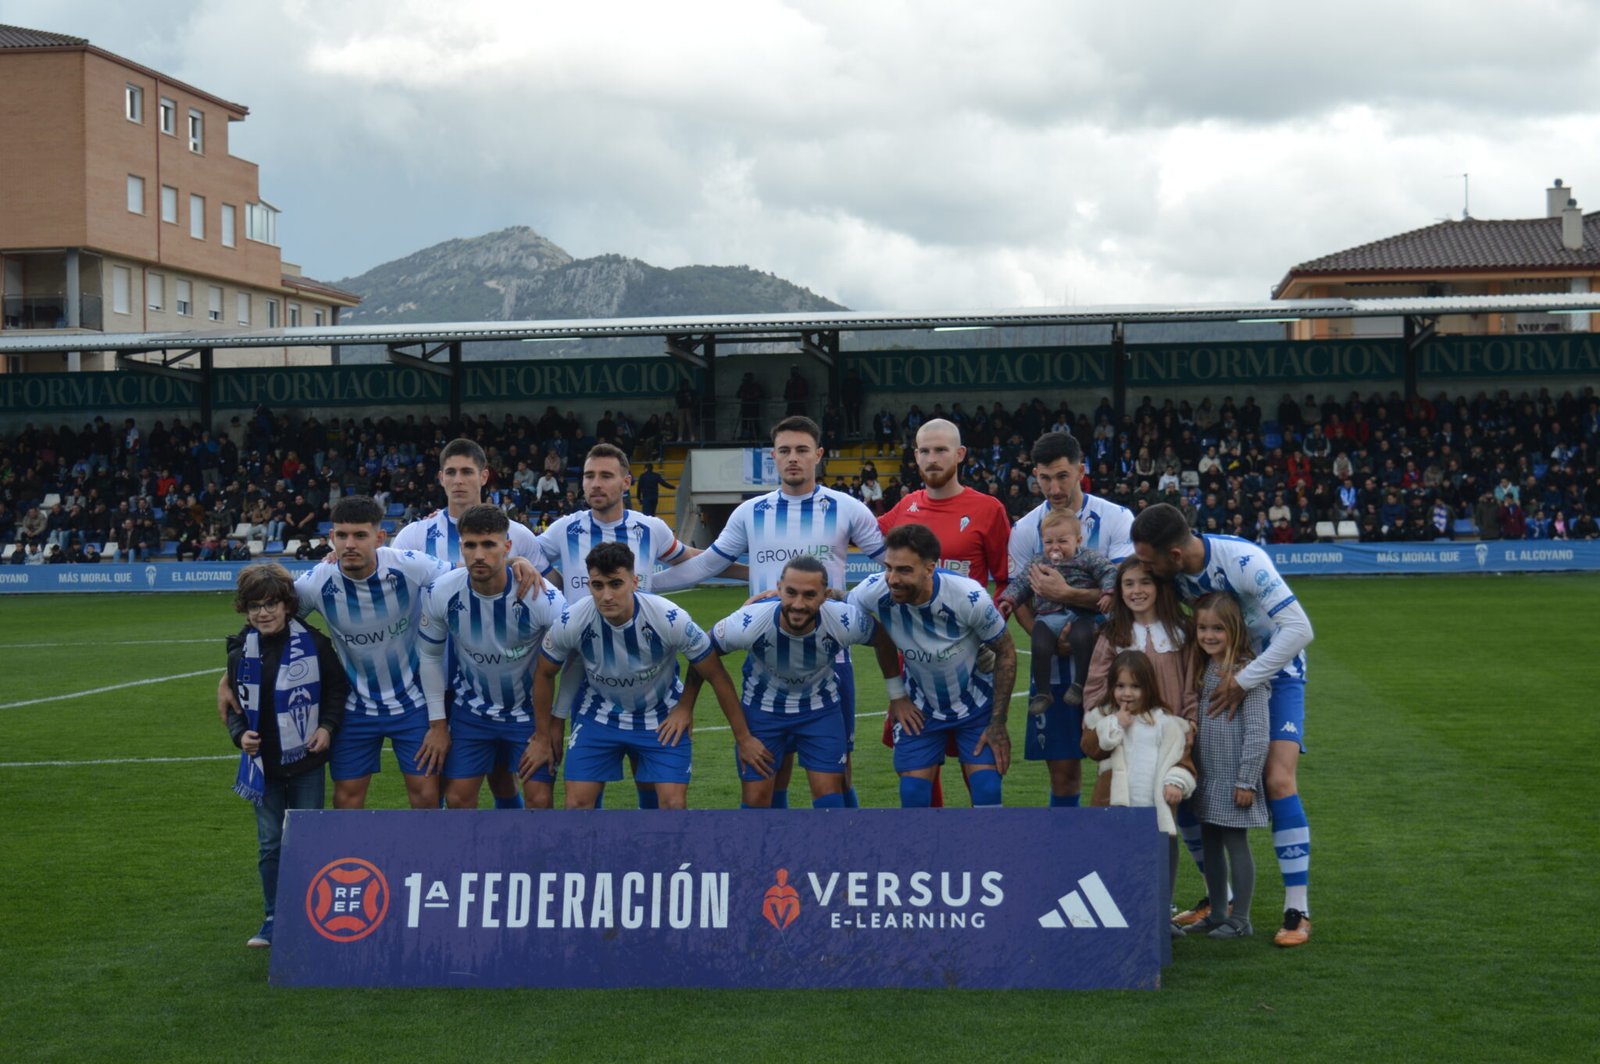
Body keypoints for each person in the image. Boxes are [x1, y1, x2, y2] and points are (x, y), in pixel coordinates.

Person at [650, 416, 886, 809]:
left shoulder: (848, 509)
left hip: (831, 660)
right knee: (770, 769)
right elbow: (707, 564)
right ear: (773, 457)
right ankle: (776, 859)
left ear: (819, 456)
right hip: (767, 658)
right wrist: (643, 584)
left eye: (802, 450)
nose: (793, 458)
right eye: (785, 450)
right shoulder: (750, 512)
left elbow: (889, 566)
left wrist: (852, 598)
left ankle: (846, 856)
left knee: (838, 774)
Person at [1131, 502, 1314, 948]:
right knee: (1194, 780)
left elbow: (1299, 629)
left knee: (1277, 780)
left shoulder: (1246, 562)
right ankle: (1220, 899)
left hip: (1275, 672)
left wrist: (1245, 679)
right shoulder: (1170, 567)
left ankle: (1298, 908)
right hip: (1213, 675)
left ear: (1173, 556)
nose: (1145, 569)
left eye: (1150, 561)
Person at [536, 443, 716, 810]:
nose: (595, 483)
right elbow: (530, 562)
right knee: (584, 793)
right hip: (583, 667)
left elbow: (697, 562)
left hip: (647, 666)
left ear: (626, 482)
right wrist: (522, 564)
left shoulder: (650, 528)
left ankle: (652, 861)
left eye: (606, 475)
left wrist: (751, 572)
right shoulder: (563, 530)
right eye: (589, 476)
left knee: (650, 786)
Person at [525, 542, 772, 808]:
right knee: (576, 804)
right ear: (589, 585)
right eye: (598, 586)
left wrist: (738, 735)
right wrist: (544, 733)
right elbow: (544, 673)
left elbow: (715, 674)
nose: (606, 595)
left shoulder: (669, 617)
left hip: (661, 716)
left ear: (634, 582)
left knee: (672, 806)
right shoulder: (572, 620)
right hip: (599, 715)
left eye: (615, 584)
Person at [393, 438, 545, 811]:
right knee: (443, 776)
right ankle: (450, 860)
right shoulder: (414, 535)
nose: (458, 480)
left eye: (466, 472)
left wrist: (520, 564)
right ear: (440, 478)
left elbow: (545, 592)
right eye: (451, 472)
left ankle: (505, 852)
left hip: (499, 676)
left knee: (500, 774)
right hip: (435, 674)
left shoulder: (519, 535)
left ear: (484, 476)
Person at [877, 417, 1012, 806]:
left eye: (941, 450)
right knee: (920, 773)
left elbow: (1005, 578)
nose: (932, 458)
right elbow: (867, 548)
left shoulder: (988, 509)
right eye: (924, 451)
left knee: (983, 780)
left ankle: (986, 858)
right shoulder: (905, 507)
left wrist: (993, 629)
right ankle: (934, 859)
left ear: (960, 454)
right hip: (917, 667)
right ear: (915, 456)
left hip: (973, 664)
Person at [223, 562, 349, 949]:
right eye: (255, 606)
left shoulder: (315, 643)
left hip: (307, 763)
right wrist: (240, 736)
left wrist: (326, 728)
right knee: (270, 843)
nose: (263, 613)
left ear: (288, 605)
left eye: (271, 604)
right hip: (263, 767)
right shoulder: (239, 651)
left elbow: (336, 691)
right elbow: (234, 709)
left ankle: (312, 911)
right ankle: (274, 917)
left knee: (307, 838)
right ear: (245, 609)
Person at [1007, 432, 1134, 809]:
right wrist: (1045, 635)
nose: (1054, 487)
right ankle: (1065, 860)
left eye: (1063, 476)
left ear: (1081, 469)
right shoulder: (1025, 530)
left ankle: (1111, 860)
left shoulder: (1116, 519)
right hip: (1056, 665)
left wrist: (1069, 596)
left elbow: (1128, 593)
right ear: (1035, 475)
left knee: (1116, 767)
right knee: (1062, 774)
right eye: (1045, 478)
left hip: (1111, 660)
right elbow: (1021, 600)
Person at [850, 523, 1018, 808]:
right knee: (913, 795)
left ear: (930, 569)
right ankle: (924, 853)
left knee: (987, 790)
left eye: (904, 570)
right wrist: (897, 696)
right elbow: (843, 617)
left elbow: (1006, 651)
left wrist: (998, 722)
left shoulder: (969, 596)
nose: (892, 579)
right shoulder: (874, 590)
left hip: (975, 706)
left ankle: (990, 852)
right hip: (919, 707)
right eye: (889, 567)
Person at [691, 555, 877, 808]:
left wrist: (898, 693)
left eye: (810, 595)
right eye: (791, 593)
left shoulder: (844, 619)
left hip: (820, 712)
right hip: (762, 713)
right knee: (756, 800)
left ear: (825, 595)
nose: (798, 604)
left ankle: (840, 847)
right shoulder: (749, 622)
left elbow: (883, 637)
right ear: (779, 589)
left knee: (831, 798)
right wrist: (688, 710)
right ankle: (771, 847)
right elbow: (702, 652)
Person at [416, 506, 564, 810]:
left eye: (489, 545)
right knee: (457, 798)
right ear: (461, 547)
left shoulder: (542, 598)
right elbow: (429, 656)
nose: (479, 554)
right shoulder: (443, 592)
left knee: (539, 799)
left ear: (507, 547)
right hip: (472, 712)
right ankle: (466, 859)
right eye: (470, 545)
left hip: (527, 715)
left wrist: (548, 729)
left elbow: (571, 664)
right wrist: (438, 725)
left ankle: (528, 859)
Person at [1080, 649, 1195, 936]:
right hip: (1116, 811)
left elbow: (1184, 762)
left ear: (1149, 687)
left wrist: (1176, 782)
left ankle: (1159, 918)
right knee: (1115, 864)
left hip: (1156, 814)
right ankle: (1115, 916)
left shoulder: (1166, 724)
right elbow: (1091, 749)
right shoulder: (1102, 718)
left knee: (1160, 867)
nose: (1126, 694)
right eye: (1120, 686)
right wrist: (1116, 724)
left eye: (1135, 686)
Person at [1182, 594, 1270, 940]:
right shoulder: (1201, 669)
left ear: (1234, 629)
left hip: (1235, 777)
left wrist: (1247, 781)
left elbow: (1258, 733)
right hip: (1207, 776)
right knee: (1210, 843)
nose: (1209, 635)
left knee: (1236, 843)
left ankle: (1241, 919)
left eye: (1218, 628)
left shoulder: (1250, 673)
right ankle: (1218, 912)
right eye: (1203, 628)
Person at [998, 510, 1116, 713]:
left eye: (1062, 541)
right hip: (1048, 615)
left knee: (1082, 637)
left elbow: (1108, 572)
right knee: (1039, 642)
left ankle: (1080, 684)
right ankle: (1043, 692)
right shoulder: (1038, 561)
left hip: (1080, 613)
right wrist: (1009, 599)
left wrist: (1108, 593)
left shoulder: (1088, 558)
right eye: (1049, 542)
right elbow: (1021, 583)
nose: (1055, 547)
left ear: (1078, 540)